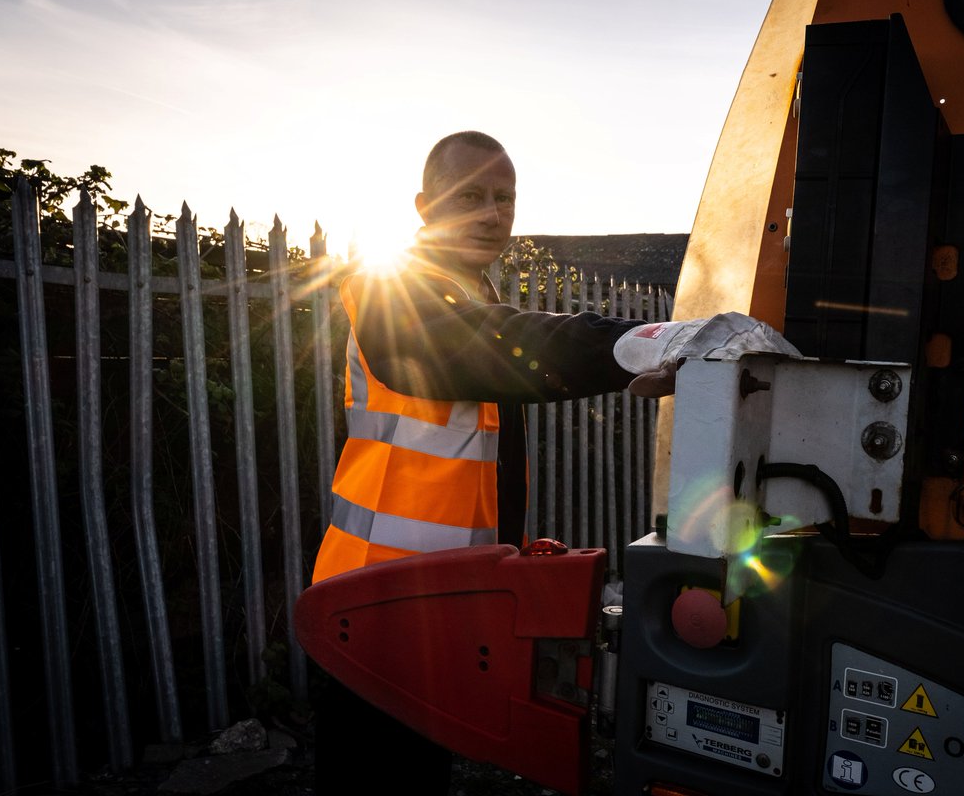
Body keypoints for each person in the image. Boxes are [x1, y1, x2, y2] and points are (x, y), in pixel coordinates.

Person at [309, 130, 797, 794]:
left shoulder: (463, 291)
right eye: (471, 196)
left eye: (504, 198)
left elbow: (496, 357)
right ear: (424, 206)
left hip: (439, 598)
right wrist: (635, 342)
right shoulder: (390, 288)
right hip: (370, 600)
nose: (492, 213)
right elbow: (490, 344)